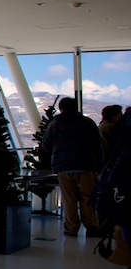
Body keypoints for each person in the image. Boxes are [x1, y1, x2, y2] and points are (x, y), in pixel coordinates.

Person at [43, 97, 104, 237]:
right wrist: (98, 166)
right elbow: (98, 145)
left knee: (69, 199)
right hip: (86, 165)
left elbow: (46, 145)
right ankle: (92, 226)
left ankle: (71, 228)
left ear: (61, 108)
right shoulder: (87, 123)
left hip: (63, 166)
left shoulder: (55, 124)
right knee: (88, 197)